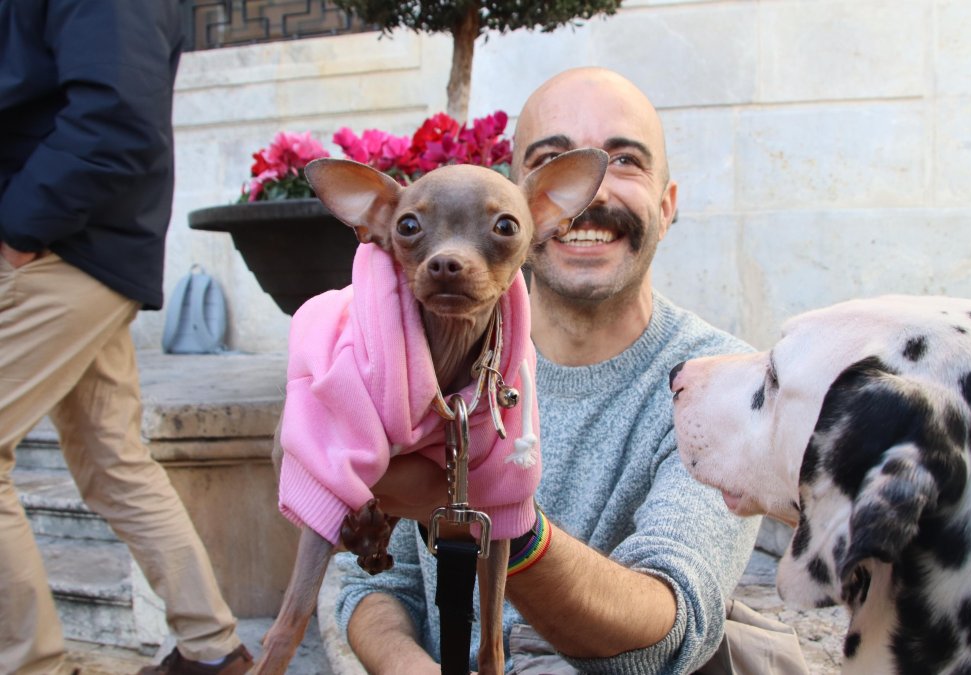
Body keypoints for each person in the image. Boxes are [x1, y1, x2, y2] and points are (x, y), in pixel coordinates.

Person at [334, 67, 800, 674]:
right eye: (550, 160)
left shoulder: (728, 389)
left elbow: (668, 630)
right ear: (523, 205)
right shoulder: (422, 360)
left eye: (624, 161)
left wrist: (491, 517)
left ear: (667, 204)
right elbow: (372, 585)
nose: (592, 195)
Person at [0, 2, 252, 674]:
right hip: (75, 246)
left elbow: (116, 121)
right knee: (113, 462)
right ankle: (213, 650)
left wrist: (19, 229)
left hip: (61, 248)